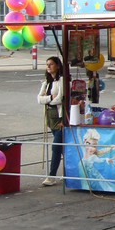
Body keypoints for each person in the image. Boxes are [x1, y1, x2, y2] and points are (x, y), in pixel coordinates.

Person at [37, 56, 64, 186]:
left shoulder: (62, 81)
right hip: (50, 116)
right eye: (47, 64)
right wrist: (49, 98)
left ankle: (51, 176)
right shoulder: (47, 82)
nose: (48, 67)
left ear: (57, 66)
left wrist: (47, 99)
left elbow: (59, 99)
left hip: (60, 117)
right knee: (62, 147)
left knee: (56, 147)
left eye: (51, 64)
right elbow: (38, 99)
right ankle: (69, 171)